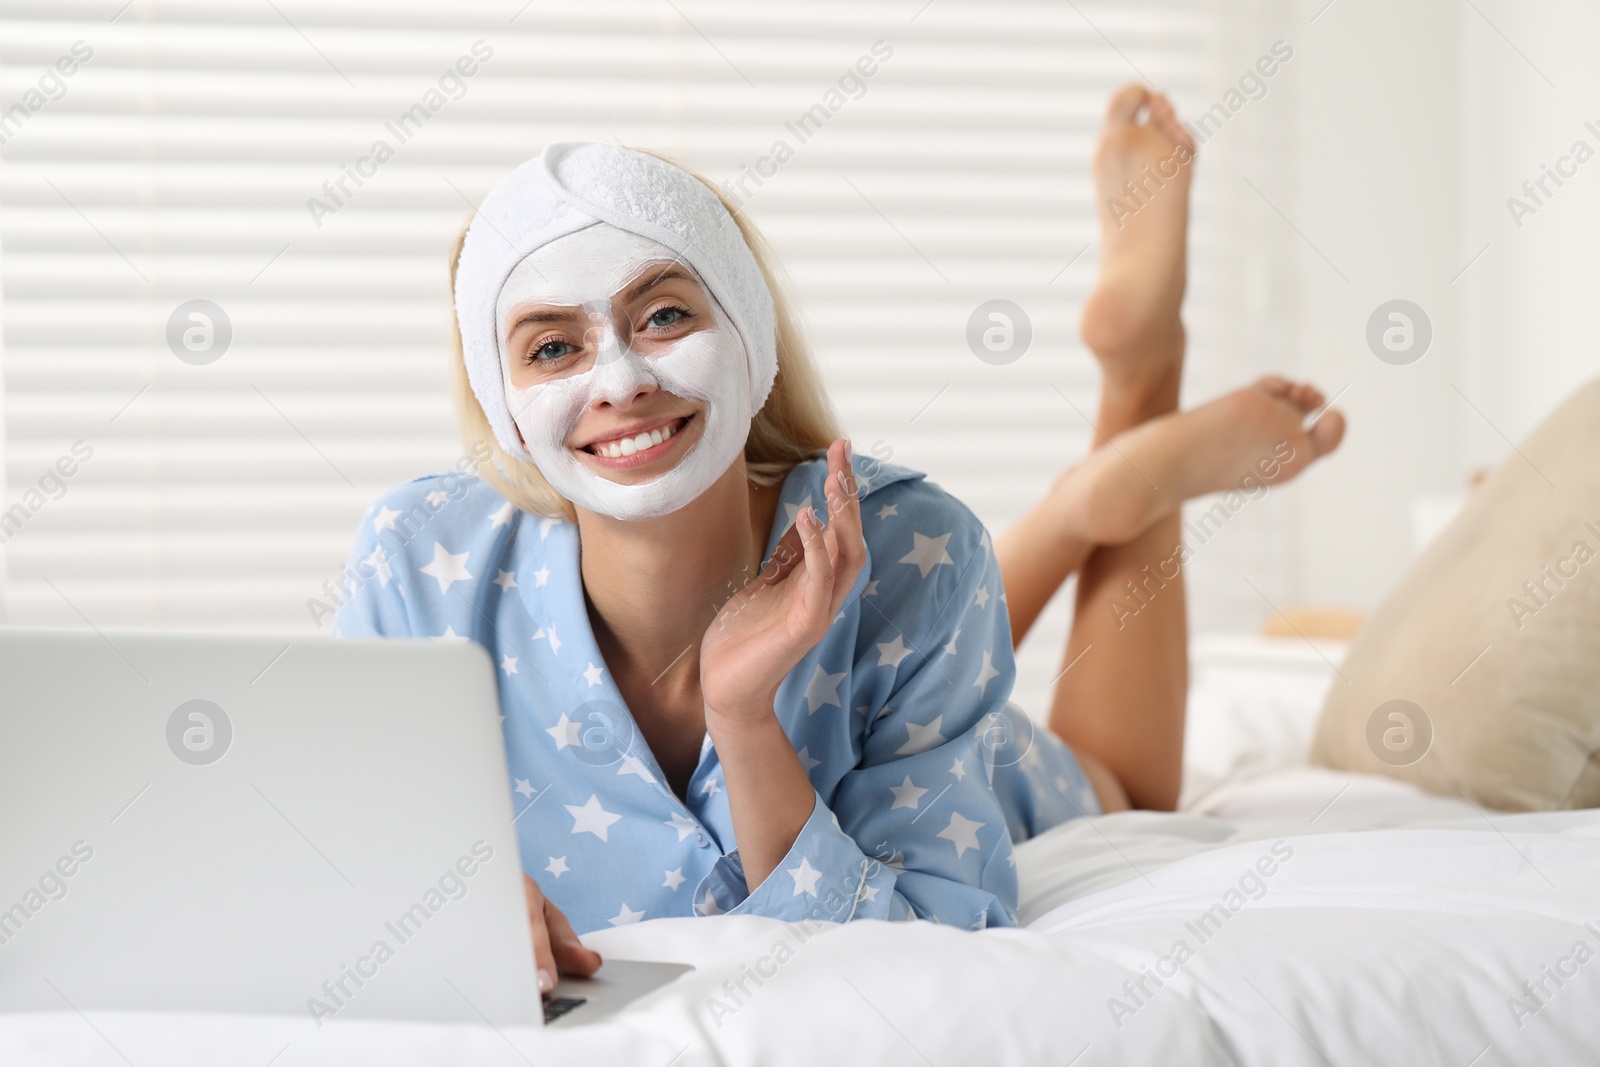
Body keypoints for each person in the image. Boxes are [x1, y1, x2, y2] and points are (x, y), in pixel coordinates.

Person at [332, 85, 1345, 995]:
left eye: (665, 313)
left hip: (934, 686)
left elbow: (925, 946)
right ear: (501, 403)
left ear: (750, 337)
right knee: (913, 579)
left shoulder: (912, 541)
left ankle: (1139, 387)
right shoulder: (417, 563)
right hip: (910, 593)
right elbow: (343, 861)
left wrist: (749, 721)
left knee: (1119, 783)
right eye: (552, 346)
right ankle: (1083, 501)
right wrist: (438, 903)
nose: (620, 381)